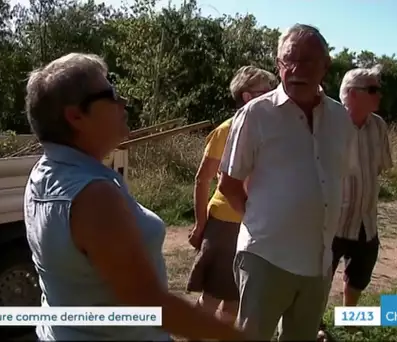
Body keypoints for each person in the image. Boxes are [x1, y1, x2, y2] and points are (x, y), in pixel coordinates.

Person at [23, 52, 246, 341]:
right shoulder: (93, 195)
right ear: (76, 115)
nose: (123, 103)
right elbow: (151, 304)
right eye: (111, 93)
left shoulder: (44, 174)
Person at [218, 24, 355, 341]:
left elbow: (335, 179)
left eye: (307, 61)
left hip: (318, 261)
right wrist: (261, 224)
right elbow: (228, 182)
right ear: (278, 64)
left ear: (325, 65)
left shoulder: (339, 118)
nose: (296, 70)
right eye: (288, 61)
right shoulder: (256, 114)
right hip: (266, 258)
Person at [186, 66, 276, 322]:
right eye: (266, 91)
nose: (273, 95)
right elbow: (202, 179)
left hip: (256, 225)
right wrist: (201, 224)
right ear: (247, 97)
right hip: (225, 224)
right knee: (212, 297)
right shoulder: (226, 130)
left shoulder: (270, 131)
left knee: (236, 299)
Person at [317, 65, 393, 340]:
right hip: (332, 220)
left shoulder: (379, 126)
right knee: (320, 277)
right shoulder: (328, 123)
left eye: (378, 89)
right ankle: (315, 325)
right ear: (351, 94)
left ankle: (349, 321)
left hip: (365, 220)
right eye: (373, 89)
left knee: (359, 276)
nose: (379, 95)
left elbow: (380, 167)